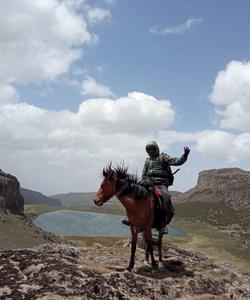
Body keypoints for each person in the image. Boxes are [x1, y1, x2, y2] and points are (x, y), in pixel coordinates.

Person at [142, 141, 190, 226]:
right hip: (148, 184)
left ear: (156, 149)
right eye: (148, 150)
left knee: (166, 197)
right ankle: (131, 217)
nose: (151, 151)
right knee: (135, 194)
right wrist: (144, 181)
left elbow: (176, 161)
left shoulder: (163, 157)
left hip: (161, 184)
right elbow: (144, 174)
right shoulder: (147, 161)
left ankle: (165, 219)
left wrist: (185, 155)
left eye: (152, 149)